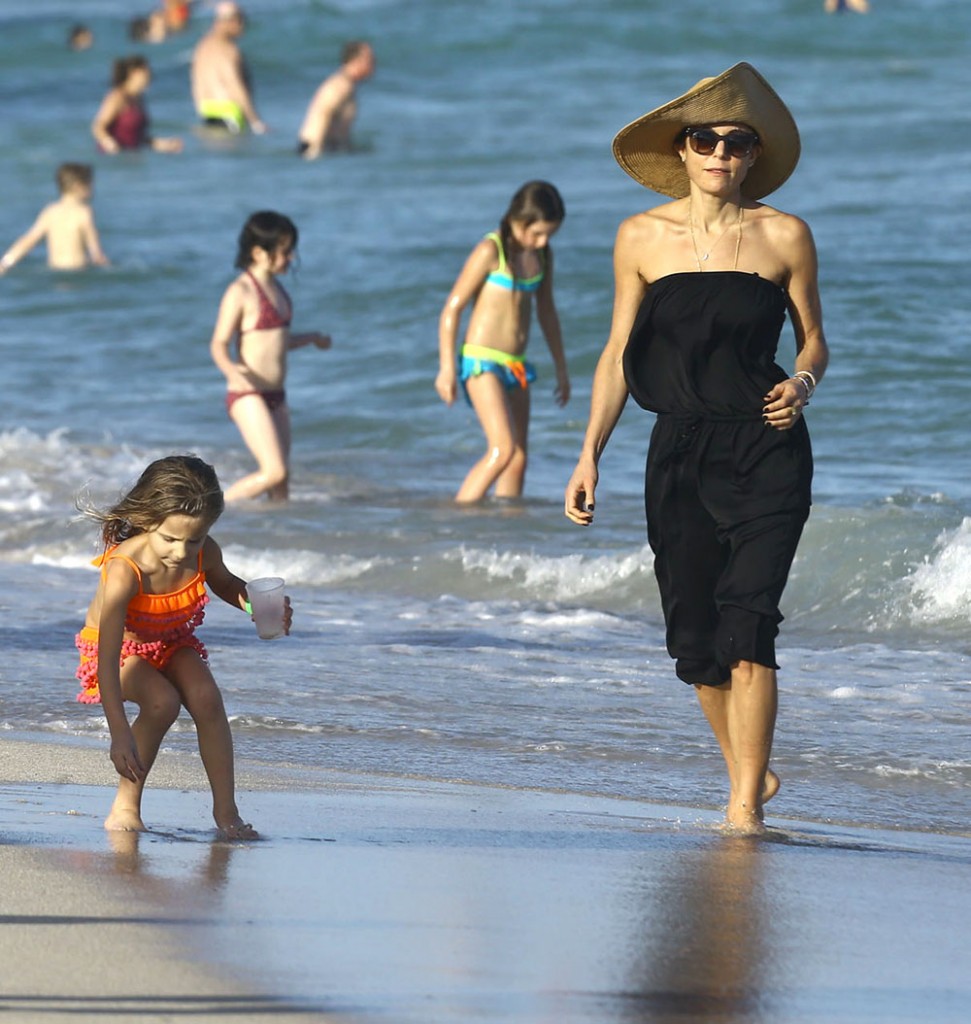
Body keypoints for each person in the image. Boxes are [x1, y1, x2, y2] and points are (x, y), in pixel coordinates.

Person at [564, 63, 829, 834]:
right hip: (676, 452)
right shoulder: (640, 238)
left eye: (735, 142)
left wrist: (803, 382)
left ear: (752, 155)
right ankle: (750, 769)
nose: (719, 152)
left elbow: (813, 338)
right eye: (704, 139)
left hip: (766, 447)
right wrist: (589, 454)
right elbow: (618, 350)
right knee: (693, 639)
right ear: (681, 150)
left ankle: (741, 806)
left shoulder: (784, 235)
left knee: (749, 621)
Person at [74, 455, 289, 838]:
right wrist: (118, 733)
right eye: (170, 539)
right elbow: (107, 660)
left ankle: (227, 814)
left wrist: (258, 607)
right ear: (147, 521)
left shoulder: (204, 552)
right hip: (119, 653)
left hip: (172, 641)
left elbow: (225, 584)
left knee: (206, 697)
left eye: (195, 539)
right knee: (162, 702)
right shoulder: (125, 570)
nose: (181, 551)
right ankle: (125, 806)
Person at [436, 181, 570, 503]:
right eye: (537, 233)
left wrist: (562, 369)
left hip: (516, 366)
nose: (543, 241)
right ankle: (458, 518)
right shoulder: (491, 250)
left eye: (549, 234)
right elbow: (452, 308)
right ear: (518, 220)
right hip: (482, 361)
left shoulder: (543, 256)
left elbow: (547, 313)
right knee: (502, 449)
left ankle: (507, 534)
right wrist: (446, 369)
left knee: (519, 457)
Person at [210, 212, 332, 502]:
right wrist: (232, 373)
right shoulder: (240, 291)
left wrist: (312, 338)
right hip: (247, 392)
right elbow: (218, 343)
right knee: (274, 471)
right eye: (285, 251)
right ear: (258, 252)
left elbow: (276, 341)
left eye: (291, 251)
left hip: (276, 395)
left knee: (281, 483)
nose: (291, 258)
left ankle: (280, 539)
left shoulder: (278, 290)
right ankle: (209, 513)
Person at [0, 163, 108, 274]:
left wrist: (5, 262)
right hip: (77, 272)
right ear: (79, 186)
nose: (93, 187)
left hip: (54, 270)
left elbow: (28, 240)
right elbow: (96, 253)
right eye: (90, 183)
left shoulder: (50, 212)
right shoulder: (84, 212)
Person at [190, 1, 265, 135]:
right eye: (241, 20)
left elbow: (196, 83)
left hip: (207, 112)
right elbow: (234, 84)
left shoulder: (202, 47)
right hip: (230, 114)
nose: (243, 26)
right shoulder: (229, 50)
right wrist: (255, 121)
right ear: (231, 22)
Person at [296, 40, 375, 159]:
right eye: (371, 60)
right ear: (356, 61)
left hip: (330, 150)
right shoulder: (339, 86)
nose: (374, 65)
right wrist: (315, 156)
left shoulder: (348, 86)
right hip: (314, 149)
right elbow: (322, 115)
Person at [91, 56, 183, 154]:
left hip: (133, 157)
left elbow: (138, 137)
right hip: (113, 159)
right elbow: (98, 126)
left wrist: (163, 145)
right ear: (134, 73)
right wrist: (108, 141)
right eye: (146, 71)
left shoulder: (139, 99)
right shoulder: (117, 96)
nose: (150, 75)